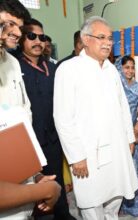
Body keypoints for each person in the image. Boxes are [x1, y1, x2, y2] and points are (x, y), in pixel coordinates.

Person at [54, 16, 138, 220]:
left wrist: (129, 138)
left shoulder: (111, 70)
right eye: (101, 37)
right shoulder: (69, 69)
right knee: (92, 203)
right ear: (85, 40)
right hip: (88, 153)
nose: (108, 42)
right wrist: (76, 156)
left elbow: (123, 107)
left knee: (115, 198)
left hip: (117, 147)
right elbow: (62, 117)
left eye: (110, 38)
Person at [0, 0, 61, 218]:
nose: (16, 32)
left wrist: (34, 174)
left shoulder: (11, 64)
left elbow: (22, 116)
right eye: (8, 24)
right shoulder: (20, 63)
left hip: (31, 157)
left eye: (19, 27)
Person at [17, 18, 75, 220]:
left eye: (41, 37)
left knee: (56, 179)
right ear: (21, 39)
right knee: (32, 187)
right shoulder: (14, 67)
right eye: (32, 36)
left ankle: (63, 214)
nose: (38, 41)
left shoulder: (52, 68)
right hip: (27, 141)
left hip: (53, 138)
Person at [115, 55, 138, 217]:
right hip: (116, 134)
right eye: (126, 67)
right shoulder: (114, 86)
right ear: (119, 68)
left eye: (132, 67)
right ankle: (118, 205)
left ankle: (134, 206)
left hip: (132, 134)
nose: (130, 70)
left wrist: (136, 129)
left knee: (134, 169)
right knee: (119, 170)